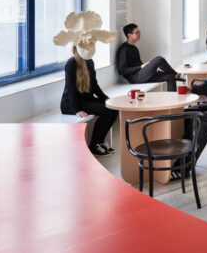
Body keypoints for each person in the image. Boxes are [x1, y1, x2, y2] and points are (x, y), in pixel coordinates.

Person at [55, 10, 118, 156]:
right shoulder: (71, 63)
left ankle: (99, 141)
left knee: (112, 108)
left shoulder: (89, 61)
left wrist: (105, 98)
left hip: (85, 99)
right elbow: (70, 89)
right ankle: (94, 145)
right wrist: (76, 109)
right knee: (106, 110)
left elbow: (94, 84)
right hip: (71, 103)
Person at [114, 23, 179, 91]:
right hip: (135, 78)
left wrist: (151, 69)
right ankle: (177, 74)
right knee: (159, 59)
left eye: (139, 32)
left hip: (141, 74)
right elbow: (122, 70)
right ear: (129, 35)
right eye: (137, 32)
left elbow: (139, 64)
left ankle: (173, 99)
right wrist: (141, 67)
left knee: (170, 77)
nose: (139, 34)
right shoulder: (124, 50)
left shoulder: (134, 48)